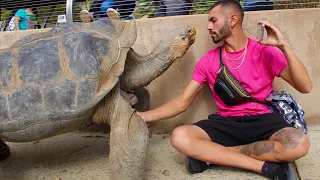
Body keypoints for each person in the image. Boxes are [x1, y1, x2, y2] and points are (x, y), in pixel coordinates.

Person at [137, 0, 312, 179]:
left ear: (232, 19)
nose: (208, 26)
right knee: (180, 137)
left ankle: (216, 155)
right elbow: (182, 102)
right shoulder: (208, 61)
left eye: (213, 20)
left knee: (298, 144)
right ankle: (264, 167)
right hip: (226, 123)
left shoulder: (264, 51)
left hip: (262, 120)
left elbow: (305, 86)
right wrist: (144, 116)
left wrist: (284, 46)